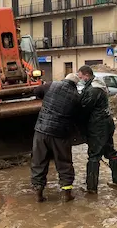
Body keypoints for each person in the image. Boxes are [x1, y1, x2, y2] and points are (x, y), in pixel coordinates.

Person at [30, 73, 82, 202]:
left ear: (65, 79)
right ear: (75, 84)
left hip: (41, 131)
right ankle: (67, 194)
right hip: (61, 135)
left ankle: (38, 194)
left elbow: (36, 91)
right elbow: (77, 117)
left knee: (39, 161)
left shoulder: (52, 85)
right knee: (64, 163)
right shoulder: (76, 97)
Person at [78, 65, 117, 193]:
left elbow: (84, 108)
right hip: (107, 123)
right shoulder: (98, 86)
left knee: (94, 155)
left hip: (98, 126)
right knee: (110, 152)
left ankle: (91, 188)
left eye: (80, 77)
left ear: (86, 75)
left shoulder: (93, 90)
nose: (80, 79)